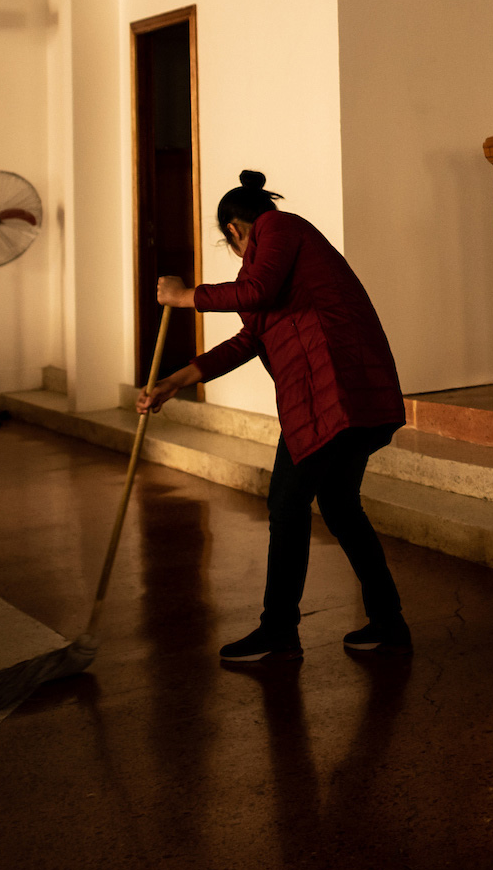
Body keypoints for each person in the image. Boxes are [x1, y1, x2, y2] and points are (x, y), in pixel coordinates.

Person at [138, 171, 409, 661]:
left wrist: (185, 297)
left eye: (232, 243)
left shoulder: (277, 229)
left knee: (288, 504)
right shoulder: (271, 262)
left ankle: (280, 631)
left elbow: (256, 293)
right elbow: (251, 338)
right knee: (341, 508)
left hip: (332, 390)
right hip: (337, 393)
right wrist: (175, 382)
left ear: (234, 230)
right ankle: (389, 623)